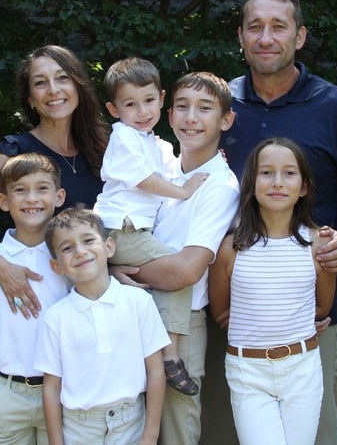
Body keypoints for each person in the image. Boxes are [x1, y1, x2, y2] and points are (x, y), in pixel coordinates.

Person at [220, 0, 337, 444]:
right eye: (255, 27)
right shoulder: (218, 105)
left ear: (300, 36)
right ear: (240, 36)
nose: (265, 38)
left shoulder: (335, 107)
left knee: (318, 436)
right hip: (232, 316)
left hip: (310, 318)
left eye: (278, 26)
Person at [111, 71, 240, 445]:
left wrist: (118, 266)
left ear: (226, 120)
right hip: (133, 310)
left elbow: (186, 270)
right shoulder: (160, 167)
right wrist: (114, 270)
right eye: (182, 106)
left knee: (177, 430)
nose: (191, 117)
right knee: (127, 424)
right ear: (168, 114)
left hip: (180, 326)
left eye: (205, 108)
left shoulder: (220, 185)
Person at [0, 45, 109, 318]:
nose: (53, 90)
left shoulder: (103, 150)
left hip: (98, 296)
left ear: (78, 86)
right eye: (40, 83)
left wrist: (119, 265)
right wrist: (2, 268)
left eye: (62, 78)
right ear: (31, 99)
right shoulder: (16, 151)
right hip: (43, 297)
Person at [209, 137, 336, 445]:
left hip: (302, 369)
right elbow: (221, 311)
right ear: (251, 184)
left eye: (289, 173)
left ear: (304, 186)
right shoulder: (229, 249)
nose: (278, 182)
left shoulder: (318, 244)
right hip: (248, 371)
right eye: (266, 173)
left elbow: (321, 308)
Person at [94, 57, 208, 396]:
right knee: (181, 270)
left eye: (148, 101)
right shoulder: (124, 137)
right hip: (121, 229)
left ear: (161, 99)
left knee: (172, 277)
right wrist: (184, 192)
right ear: (114, 109)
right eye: (130, 104)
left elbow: (177, 171)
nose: (142, 111)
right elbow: (145, 180)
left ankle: (158, 351)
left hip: (134, 232)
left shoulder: (157, 144)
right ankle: (169, 356)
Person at [0, 153, 70, 445]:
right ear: (3, 201)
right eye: (20, 190)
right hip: (6, 394)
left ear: (59, 197)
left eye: (42, 188)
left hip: (63, 391)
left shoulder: (69, 258)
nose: (32, 198)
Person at [35, 207, 170, 445]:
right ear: (57, 266)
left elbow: (155, 370)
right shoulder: (56, 318)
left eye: (88, 240)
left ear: (109, 247)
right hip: (78, 430)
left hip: (132, 424)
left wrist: (150, 435)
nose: (80, 251)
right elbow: (51, 388)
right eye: (67, 248)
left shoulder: (138, 302)